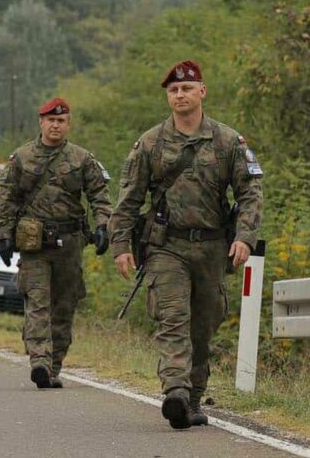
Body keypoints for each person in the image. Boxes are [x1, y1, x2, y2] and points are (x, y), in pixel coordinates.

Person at [109, 60, 262, 430]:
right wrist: (121, 244)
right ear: (168, 97)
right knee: (173, 316)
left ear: (202, 92)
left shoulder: (228, 141)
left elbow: (250, 192)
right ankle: (175, 390)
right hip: (167, 246)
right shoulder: (151, 143)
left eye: (187, 89)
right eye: (174, 90)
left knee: (203, 325)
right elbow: (128, 198)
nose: (180, 95)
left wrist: (245, 237)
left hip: (212, 248)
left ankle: (193, 397)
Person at [0, 97, 112, 390]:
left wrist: (103, 227)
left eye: (61, 120)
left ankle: (54, 365)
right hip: (34, 245)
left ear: (68, 124)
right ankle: (40, 361)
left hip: (70, 244)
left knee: (63, 306)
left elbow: (99, 195)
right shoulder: (21, 158)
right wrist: (5, 235)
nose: (55, 125)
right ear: (41, 122)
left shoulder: (82, 159)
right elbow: (7, 199)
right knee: (37, 303)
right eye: (50, 120)